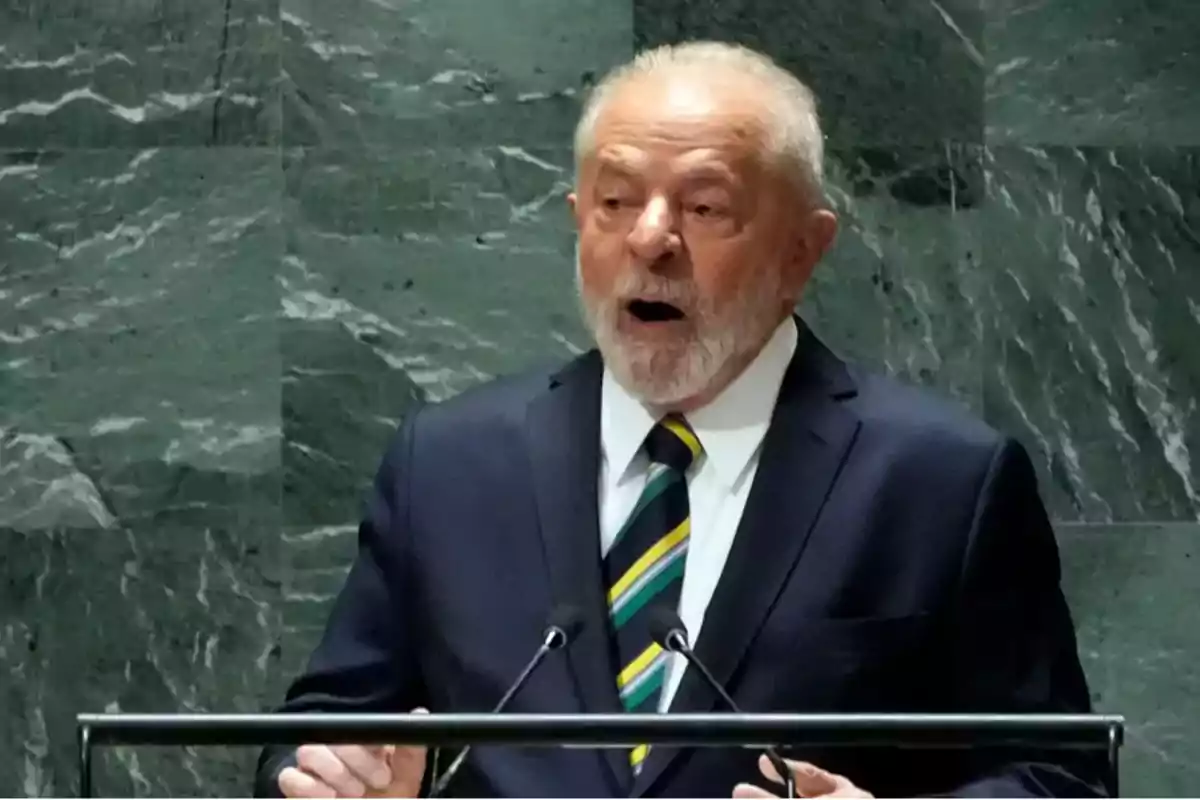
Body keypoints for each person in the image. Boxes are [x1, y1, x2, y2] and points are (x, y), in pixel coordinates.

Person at [255, 41, 1105, 798]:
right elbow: (318, 729)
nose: (651, 240)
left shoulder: (941, 481)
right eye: (615, 203)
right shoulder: (446, 463)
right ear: (576, 224)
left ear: (803, 251)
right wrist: (330, 777)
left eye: (703, 208)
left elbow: (1058, 775)